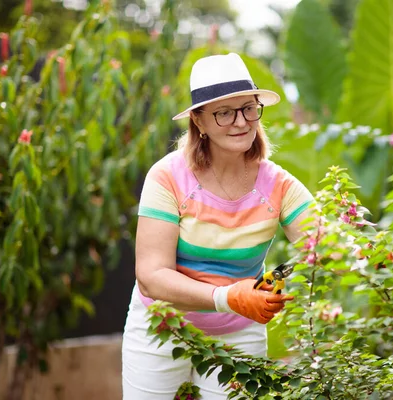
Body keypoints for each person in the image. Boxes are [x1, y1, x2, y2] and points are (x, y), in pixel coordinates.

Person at [121, 52, 314, 399]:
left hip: (239, 333)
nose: (240, 122)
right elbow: (150, 277)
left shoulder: (278, 184)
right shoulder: (167, 178)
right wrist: (228, 297)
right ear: (199, 121)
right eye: (224, 112)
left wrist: (368, 257)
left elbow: (324, 245)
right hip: (163, 328)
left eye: (249, 108)